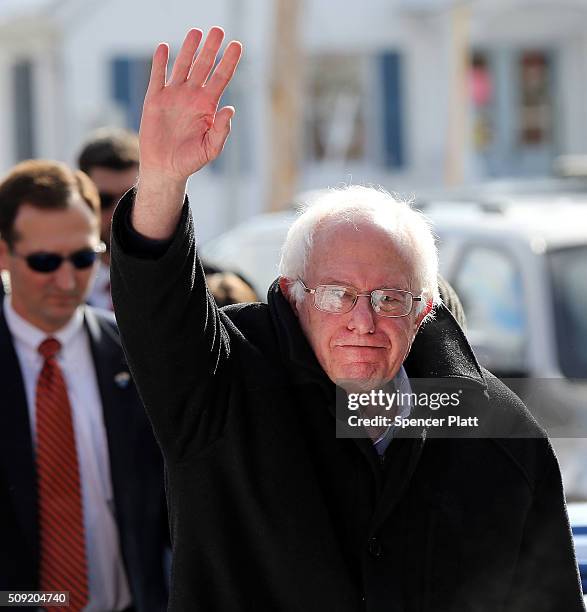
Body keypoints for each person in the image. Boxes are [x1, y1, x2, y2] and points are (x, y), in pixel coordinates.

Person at [110, 28, 584, 611]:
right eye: (336, 295)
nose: (363, 320)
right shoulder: (225, 385)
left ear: (424, 310)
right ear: (292, 295)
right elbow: (157, 308)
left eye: (390, 298)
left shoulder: (493, 432)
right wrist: (162, 178)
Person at [0, 160, 168, 611]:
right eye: (43, 261)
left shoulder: (132, 355)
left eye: (82, 258)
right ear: (3, 254)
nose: (67, 279)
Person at [78, 128, 139, 310]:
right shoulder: (55, 281)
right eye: (104, 200)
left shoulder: (195, 281)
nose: (118, 212)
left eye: (131, 198)